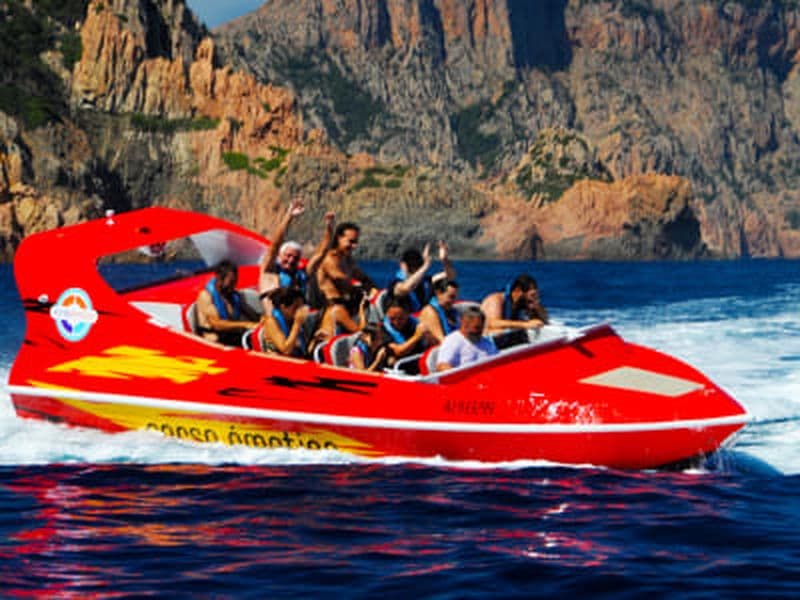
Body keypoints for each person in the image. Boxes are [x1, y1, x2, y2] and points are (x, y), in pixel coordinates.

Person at [259, 197, 334, 311]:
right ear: (279, 256)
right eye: (288, 256)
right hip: (278, 317)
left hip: (300, 317)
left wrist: (329, 229)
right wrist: (289, 216)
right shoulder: (270, 270)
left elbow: (321, 253)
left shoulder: (302, 274)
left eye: (295, 257)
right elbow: (274, 246)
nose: (291, 260)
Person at [195, 259, 260, 346]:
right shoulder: (206, 296)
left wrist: (262, 320)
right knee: (214, 338)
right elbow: (216, 324)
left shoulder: (231, 293)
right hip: (214, 337)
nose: (234, 285)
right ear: (220, 279)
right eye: (231, 282)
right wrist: (246, 324)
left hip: (230, 335)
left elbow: (248, 311)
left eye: (235, 281)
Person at [316, 221, 377, 305]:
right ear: (339, 238)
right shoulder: (329, 258)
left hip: (345, 303)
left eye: (356, 242)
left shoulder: (347, 259)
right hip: (330, 305)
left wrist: (373, 289)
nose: (354, 246)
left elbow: (363, 278)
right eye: (351, 241)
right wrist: (359, 287)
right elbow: (340, 279)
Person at [388, 241, 455, 312]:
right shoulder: (395, 284)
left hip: (425, 318)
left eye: (417, 265)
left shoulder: (426, 281)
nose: (414, 269)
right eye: (411, 265)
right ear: (402, 265)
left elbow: (450, 276)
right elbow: (405, 288)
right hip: (404, 321)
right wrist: (425, 266)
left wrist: (444, 259)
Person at [480, 273, 549, 334]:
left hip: (504, 341)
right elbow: (493, 323)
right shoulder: (496, 300)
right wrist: (525, 324)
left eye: (535, 295)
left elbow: (544, 321)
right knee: (498, 331)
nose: (533, 299)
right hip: (484, 340)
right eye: (532, 295)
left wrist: (536, 305)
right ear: (518, 291)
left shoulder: (521, 303)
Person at [436, 306, 498, 372]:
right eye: (477, 327)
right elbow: (442, 366)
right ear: (464, 325)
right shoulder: (452, 341)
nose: (480, 331)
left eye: (481, 327)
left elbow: (497, 361)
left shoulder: (487, 343)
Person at [307, 290, 369, 356]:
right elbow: (360, 332)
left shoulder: (328, 309)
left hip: (327, 349)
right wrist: (361, 309)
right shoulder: (338, 310)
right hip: (330, 352)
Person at [259, 287, 309, 356]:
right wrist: (297, 323)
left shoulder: (292, 319)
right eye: (296, 307)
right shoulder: (271, 321)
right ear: (283, 307)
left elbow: (304, 349)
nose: (298, 311)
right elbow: (286, 349)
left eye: (301, 307)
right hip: (277, 360)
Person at [380, 296, 429, 364]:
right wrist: (416, 337)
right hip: (398, 369)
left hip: (418, 362)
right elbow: (399, 351)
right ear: (387, 314)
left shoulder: (415, 323)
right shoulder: (382, 329)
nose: (396, 322)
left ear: (408, 314)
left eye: (400, 318)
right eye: (392, 318)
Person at [418, 278, 461, 345]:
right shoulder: (430, 312)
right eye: (451, 297)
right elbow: (441, 340)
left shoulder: (450, 311)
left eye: (455, 297)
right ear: (438, 293)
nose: (454, 301)